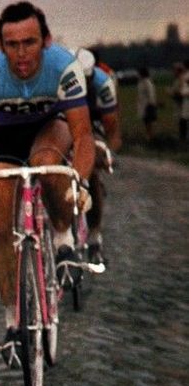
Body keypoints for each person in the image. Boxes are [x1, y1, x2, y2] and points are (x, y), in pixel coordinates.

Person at [0, 1, 95, 368]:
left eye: (29, 42)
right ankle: (12, 322)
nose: (21, 53)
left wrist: (78, 183)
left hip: (50, 131)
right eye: (12, 44)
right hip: (5, 141)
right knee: (1, 225)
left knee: (48, 163)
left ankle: (64, 240)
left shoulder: (63, 66)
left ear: (45, 40)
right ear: (1, 45)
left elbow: (83, 137)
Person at [76, 47, 122, 265]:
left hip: (93, 116)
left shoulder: (102, 83)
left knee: (91, 171)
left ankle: (95, 236)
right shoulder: (59, 78)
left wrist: (107, 153)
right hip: (66, 114)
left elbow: (111, 126)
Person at [137, 67, 157, 142]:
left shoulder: (147, 82)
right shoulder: (141, 82)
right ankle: (148, 135)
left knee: (149, 122)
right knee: (146, 121)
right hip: (143, 104)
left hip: (147, 105)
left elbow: (151, 94)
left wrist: (151, 103)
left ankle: (150, 136)